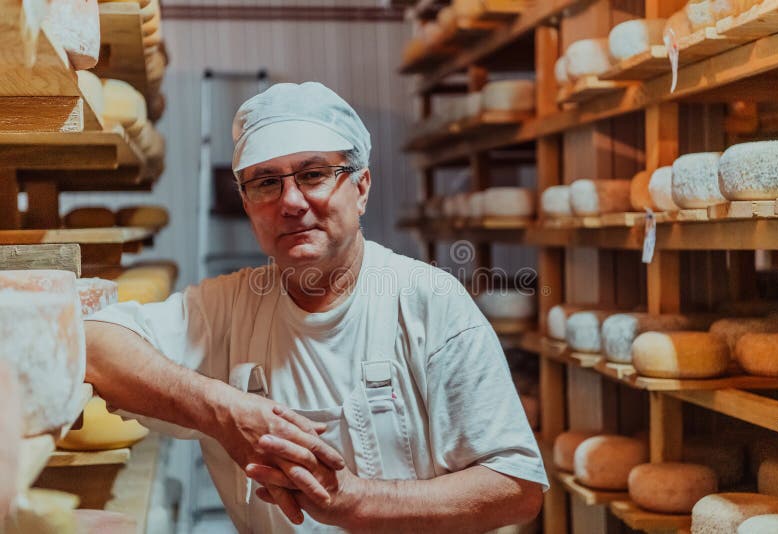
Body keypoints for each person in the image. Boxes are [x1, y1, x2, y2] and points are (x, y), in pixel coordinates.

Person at [85, 82, 548, 533]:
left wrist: (359, 504)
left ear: (361, 187)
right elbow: (91, 343)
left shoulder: (429, 302)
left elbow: (518, 486)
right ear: (246, 204)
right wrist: (223, 411)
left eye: (313, 174)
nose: (290, 201)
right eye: (266, 182)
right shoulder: (224, 308)